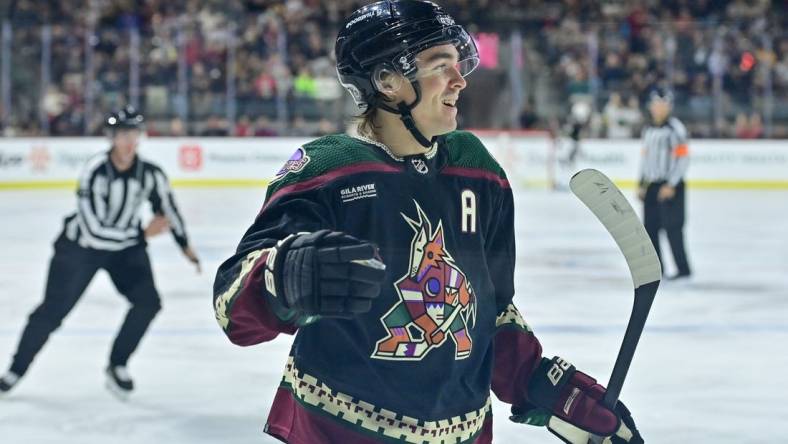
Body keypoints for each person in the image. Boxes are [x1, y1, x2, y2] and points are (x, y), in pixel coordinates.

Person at [212, 2, 644, 443]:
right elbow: (232, 310)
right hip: (340, 431)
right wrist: (281, 276)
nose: (460, 80)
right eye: (441, 66)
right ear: (387, 81)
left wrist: (539, 383)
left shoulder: (479, 169)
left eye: (459, 65)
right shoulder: (326, 170)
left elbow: (488, 309)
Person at [0, 105, 201, 399]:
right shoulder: (95, 171)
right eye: (122, 134)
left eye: (134, 133)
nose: (129, 141)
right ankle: (16, 369)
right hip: (79, 249)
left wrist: (185, 246)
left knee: (148, 302)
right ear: (111, 137)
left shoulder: (151, 173)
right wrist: (142, 234)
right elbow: (94, 231)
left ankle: (117, 364)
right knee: (52, 312)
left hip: (125, 250)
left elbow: (167, 208)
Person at [638, 87, 692, 280]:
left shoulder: (675, 128)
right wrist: (641, 183)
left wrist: (671, 184)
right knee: (650, 229)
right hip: (652, 186)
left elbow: (683, 158)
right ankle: (656, 271)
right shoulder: (648, 129)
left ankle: (683, 270)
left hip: (671, 186)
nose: (658, 108)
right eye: (655, 104)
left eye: (662, 104)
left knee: (673, 229)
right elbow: (645, 159)